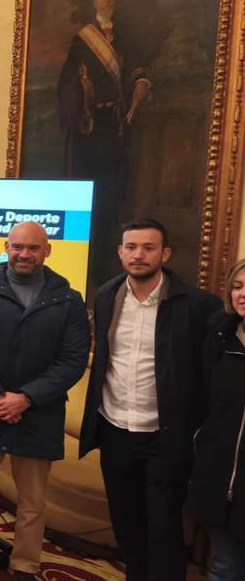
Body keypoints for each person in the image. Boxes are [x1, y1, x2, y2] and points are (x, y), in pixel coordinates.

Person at [78, 219, 220, 581]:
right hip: (115, 430)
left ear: (165, 253)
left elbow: (210, 375)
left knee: (164, 529)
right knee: (126, 523)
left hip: (164, 435)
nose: (138, 254)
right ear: (120, 252)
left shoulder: (197, 305)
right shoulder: (107, 294)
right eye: (131, 247)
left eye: (148, 247)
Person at [0, 222, 89, 581]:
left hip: (39, 413)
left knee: (33, 501)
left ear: (47, 251)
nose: (24, 254)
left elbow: (73, 360)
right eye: (17, 247)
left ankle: (25, 564)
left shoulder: (69, 300)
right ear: (5, 247)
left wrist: (26, 398)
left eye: (33, 248)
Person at [57, 0, 153, 285]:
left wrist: (140, 84)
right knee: (91, 199)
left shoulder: (126, 36)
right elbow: (65, 85)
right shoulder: (82, 39)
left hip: (117, 127)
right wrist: (81, 91)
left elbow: (138, 69)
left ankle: (111, 266)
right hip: (91, 131)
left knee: (115, 197)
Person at [191, 259, 245, 581]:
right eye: (237, 286)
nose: (242, 294)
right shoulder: (219, 338)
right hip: (221, 481)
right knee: (225, 566)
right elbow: (201, 404)